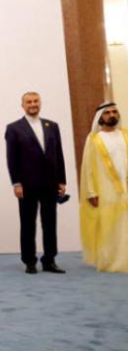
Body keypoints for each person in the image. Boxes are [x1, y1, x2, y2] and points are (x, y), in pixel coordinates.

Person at [5, 92, 67, 274]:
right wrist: (16, 183)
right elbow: (12, 158)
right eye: (29, 102)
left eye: (36, 101)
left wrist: (62, 180)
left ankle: (49, 260)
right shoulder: (14, 128)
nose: (33, 104)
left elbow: (59, 154)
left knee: (50, 223)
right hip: (27, 184)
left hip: (50, 183)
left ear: (40, 103)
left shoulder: (52, 126)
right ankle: (29, 261)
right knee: (28, 223)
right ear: (22, 105)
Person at [79, 102, 128, 272]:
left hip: (126, 186)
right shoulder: (94, 139)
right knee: (109, 225)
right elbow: (88, 168)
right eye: (107, 112)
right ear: (100, 117)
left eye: (114, 111)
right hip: (106, 189)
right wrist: (91, 191)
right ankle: (110, 261)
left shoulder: (125, 135)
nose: (112, 115)